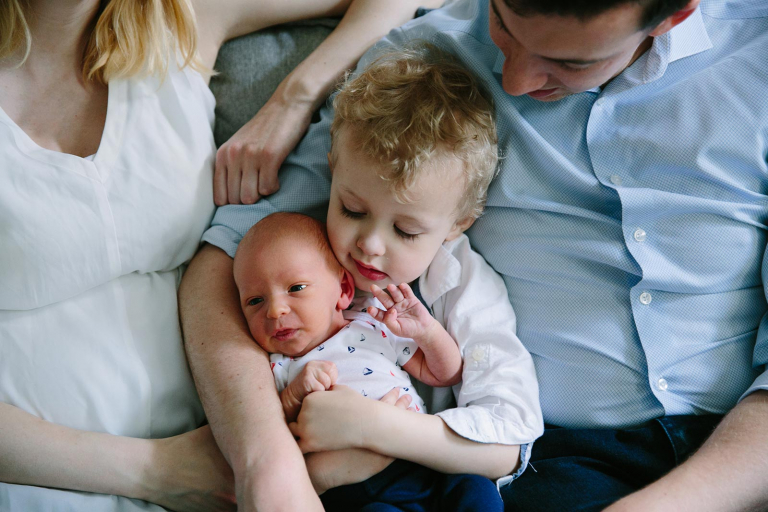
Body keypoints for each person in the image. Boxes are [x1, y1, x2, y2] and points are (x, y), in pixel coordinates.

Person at [183, 0, 768, 510]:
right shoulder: (418, 68)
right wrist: (269, 469)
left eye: (570, 62)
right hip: (556, 462)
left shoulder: (756, 58)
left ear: (674, 15)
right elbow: (232, 252)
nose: (512, 81)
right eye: (504, 25)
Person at [0, 0, 440, 511]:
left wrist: (293, 101)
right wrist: (154, 470)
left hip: (235, 467)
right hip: (48, 484)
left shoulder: (180, 18)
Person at [233, 212, 508, 512]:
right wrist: (294, 394)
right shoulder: (277, 365)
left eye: (296, 288)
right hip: (356, 488)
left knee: (477, 489)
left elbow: (445, 374)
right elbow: (270, 432)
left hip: (420, 460)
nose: (274, 310)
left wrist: (428, 333)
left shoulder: (373, 326)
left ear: (344, 291)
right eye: (255, 301)